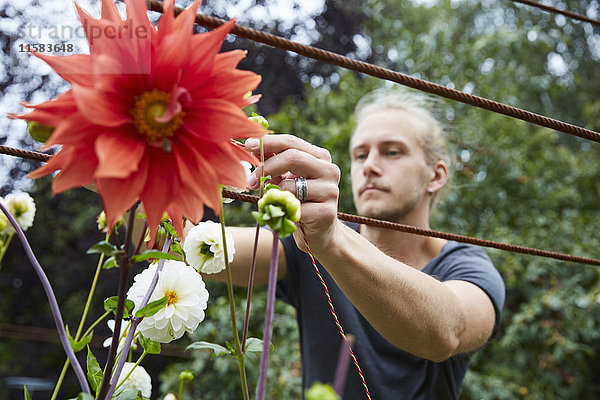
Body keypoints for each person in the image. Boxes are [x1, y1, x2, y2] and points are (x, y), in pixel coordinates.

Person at [210, 89, 505, 399]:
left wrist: (331, 240)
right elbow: (196, 245)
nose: (369, 166)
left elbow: (447, 333)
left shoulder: (468, 265)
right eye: (361, 155)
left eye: (392, 152)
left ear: (436, 175)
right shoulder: (308, 239)